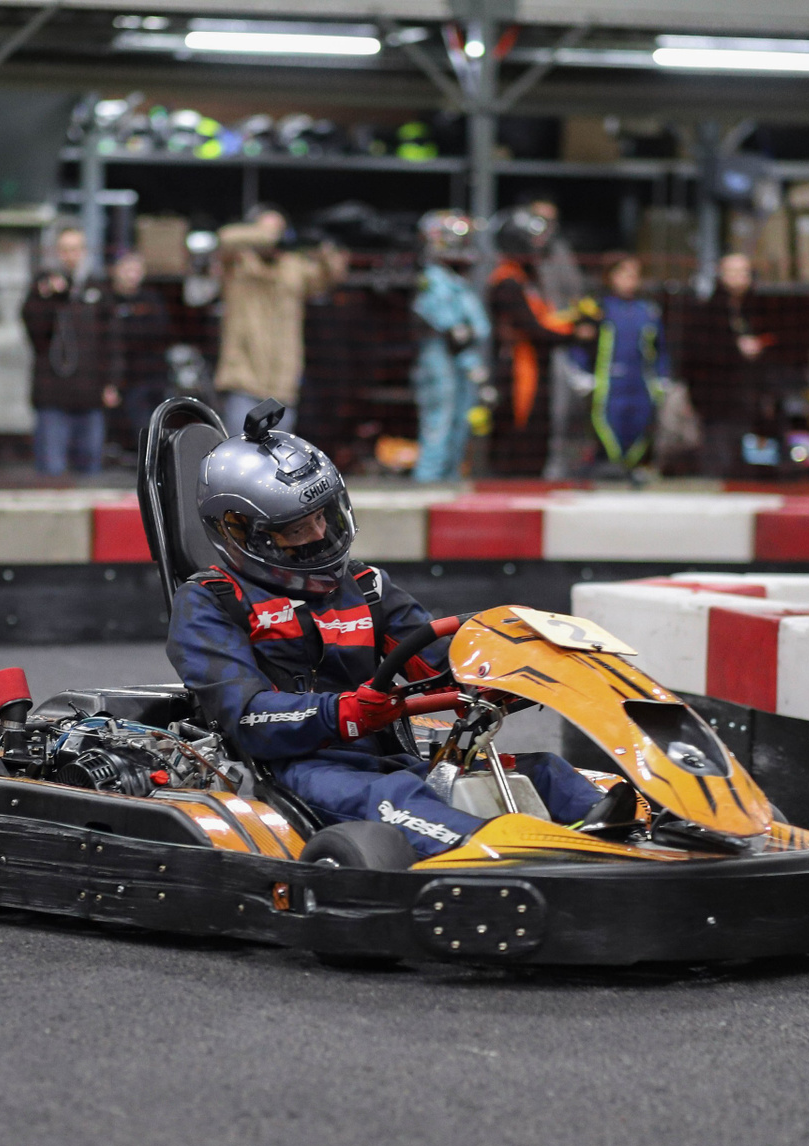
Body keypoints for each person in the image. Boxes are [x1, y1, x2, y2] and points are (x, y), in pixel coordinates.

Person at [165, 401, 605, 859]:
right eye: (296, 530)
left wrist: (509, 675)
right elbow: (247, 718)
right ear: (245, 534)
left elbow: (444, 664)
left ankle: (627, 838)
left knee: (545, 773)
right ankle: (506, 858)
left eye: (322, 516)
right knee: (397, 797)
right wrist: (342, 712)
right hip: (298, 770)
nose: (318, 535)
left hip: (386, 757)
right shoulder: (212, 601)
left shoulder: (364, 586)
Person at [213, 204, 348, 435]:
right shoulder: (237, 264)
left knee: (277, 454)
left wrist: (323, 248)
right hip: (243, 381)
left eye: (279, 230)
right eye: (265, 230)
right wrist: (267, 236)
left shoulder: (293, 268)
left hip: (282, 386)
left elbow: (330, 276)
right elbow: (224, 238)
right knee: (241, 450)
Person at [487, 206, 586, 475]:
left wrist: (573, 322)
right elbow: (532, 328)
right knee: (520, 431)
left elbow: (545, 319)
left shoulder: (528, 279)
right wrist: (573, 334)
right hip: (517, 367)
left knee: (538, 431)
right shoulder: (506, 281)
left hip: (537, 364)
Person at [22, 223, 117, 475]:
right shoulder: (41, 287)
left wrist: (111, 382)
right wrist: (51, 297)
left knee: (90, 469)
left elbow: (111, 340)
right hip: (53, 395)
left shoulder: (98, 288)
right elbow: (35, 333)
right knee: (52, 471)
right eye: (64, 250)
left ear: (84, 251)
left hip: (90, 395)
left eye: (75, 249)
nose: (70, 256)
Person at [409, 210, 491, 483]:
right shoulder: (432, 279)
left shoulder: (457, 281)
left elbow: (472, 330)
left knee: (461, 423)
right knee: (438, 423)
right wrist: (469, 356)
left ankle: (450, 481)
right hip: (440, 358)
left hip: (463, 359)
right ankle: (427, 482)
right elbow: (450, 330)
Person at [680, 252, 769, 476]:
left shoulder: (754, 309)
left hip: (746, 399)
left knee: (743, 458)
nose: (739, 277)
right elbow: (697, 355)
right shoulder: (707, 311)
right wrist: (737, 349)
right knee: (718, 458)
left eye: (744, 272)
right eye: (733, 272)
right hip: (715, 399)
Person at [583, 255, 668, 474]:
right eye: (623, 274)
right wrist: (582, 374)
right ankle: (608, 469)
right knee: (608, 429)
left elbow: (660, 348)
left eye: (634, 275)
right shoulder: (598, 309)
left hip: (640, 385)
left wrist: (662, 377)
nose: (630, 279)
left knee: (641, 429)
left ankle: (634, 470)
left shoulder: (648, 311)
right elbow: (582, 344)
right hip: (608, 386)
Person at [107, 250, 172, 447]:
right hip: (125, 377)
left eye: (136, 270)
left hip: (153, 376)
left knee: (154, 428)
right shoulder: (108, 300)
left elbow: (160, 331)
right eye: (127, 269)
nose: (132, 275)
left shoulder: (151, 300)